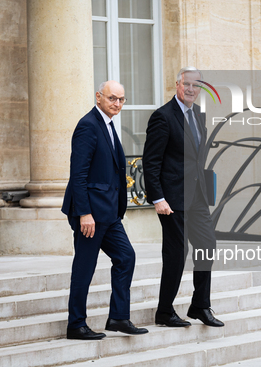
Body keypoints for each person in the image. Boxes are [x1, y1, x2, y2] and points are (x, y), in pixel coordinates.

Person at [62, 80, 148, 340]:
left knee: (126, 257)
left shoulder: (108, 125)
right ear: (98, 97)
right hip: (91, 214)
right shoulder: (88, 125)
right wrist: (84, 213)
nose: (118, 104)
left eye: (121, 100)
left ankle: (118, 317)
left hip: (109, 214)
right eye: (112, 98)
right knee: (84, 269)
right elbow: (78, 174)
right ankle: (76, 324)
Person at [143, 67, 224, 328]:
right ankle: (164, 311)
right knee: (177, 254)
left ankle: (200, 305)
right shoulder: (163, 117)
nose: (191, 89)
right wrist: (157, 197)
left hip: (197, 197)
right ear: (177, 84)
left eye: (196, 86)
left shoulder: (198, 115)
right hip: (172, 199)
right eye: (186, 84)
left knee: (207, 245)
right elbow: (151, 162)